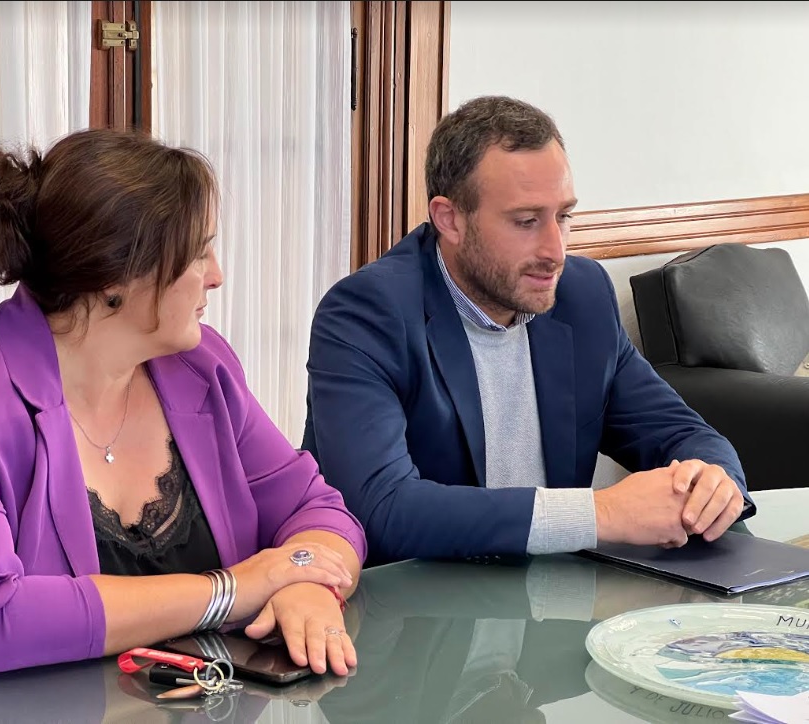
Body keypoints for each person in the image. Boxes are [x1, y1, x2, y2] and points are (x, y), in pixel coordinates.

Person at [0, 127, 366, 724]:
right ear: (117, 278)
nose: (217, 275)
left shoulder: (202, 366)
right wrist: (233, 589)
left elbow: (317, 509)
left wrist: (304, 584)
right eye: (198, 253)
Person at [301, 95, 753, 568]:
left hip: (554, 594)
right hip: (411, 599)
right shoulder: (366, 314)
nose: (555, 251)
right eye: (526, 221)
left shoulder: (582, 295)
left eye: (564, 216)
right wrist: (601, 514)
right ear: (450, 219)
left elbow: (679, 432)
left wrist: (713, 482)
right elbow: (382, 509)